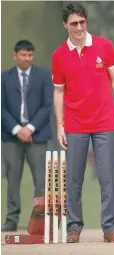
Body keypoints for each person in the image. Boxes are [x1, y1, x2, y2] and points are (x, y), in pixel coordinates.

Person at [51, 2, 114, 243]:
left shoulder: (105, 46)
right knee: (74, 178)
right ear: (65, 24)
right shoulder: (58, 55)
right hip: (75, 124)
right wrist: (60, 125)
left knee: (108, 177)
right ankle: (74, 227)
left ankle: (109, 228)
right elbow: (59, 93)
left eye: (82, 22)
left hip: (105, 120)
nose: (79, 27)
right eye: (73, 23)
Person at [1, 40, 53, 232]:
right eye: (23, 55)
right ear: (15, 55)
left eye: (30, 55)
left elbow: (47, 105)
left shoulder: (43, 76)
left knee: (41, 180)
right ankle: (11, 219)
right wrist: (17, 129)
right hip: (11, 136)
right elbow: (2, 107)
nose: (26, 58)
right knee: (12, 179)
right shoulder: (4, 78)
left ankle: (38, 221)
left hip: (37, 135)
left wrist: (30, 128)